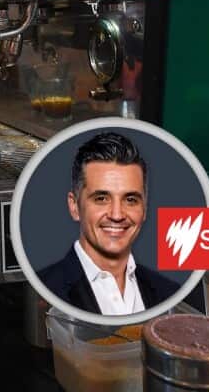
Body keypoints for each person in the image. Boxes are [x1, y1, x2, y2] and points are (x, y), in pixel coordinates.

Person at [38, 132, 167, 316]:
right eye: (101, 198)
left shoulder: (166, 291)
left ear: (145, 208)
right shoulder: (44, 292)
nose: (117, 214)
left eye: (130, 200)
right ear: (74, 206)